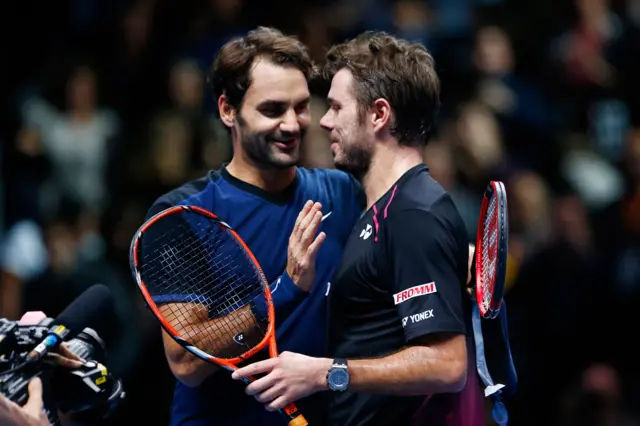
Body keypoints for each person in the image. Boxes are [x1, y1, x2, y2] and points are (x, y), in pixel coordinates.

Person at [232, 31, 486, 426]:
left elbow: (446, 364)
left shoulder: (412, 215)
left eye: (336, 107)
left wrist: (321, 373)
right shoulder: (381, 209)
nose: (324, 121)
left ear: (379, 114)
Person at [144, 27, 364, 426]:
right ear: (228, 110)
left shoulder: (344, 192)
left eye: (300, 107)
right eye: (272, 109)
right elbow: (186, 363)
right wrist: (285, 292)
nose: (293, 124)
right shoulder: (183, 215)